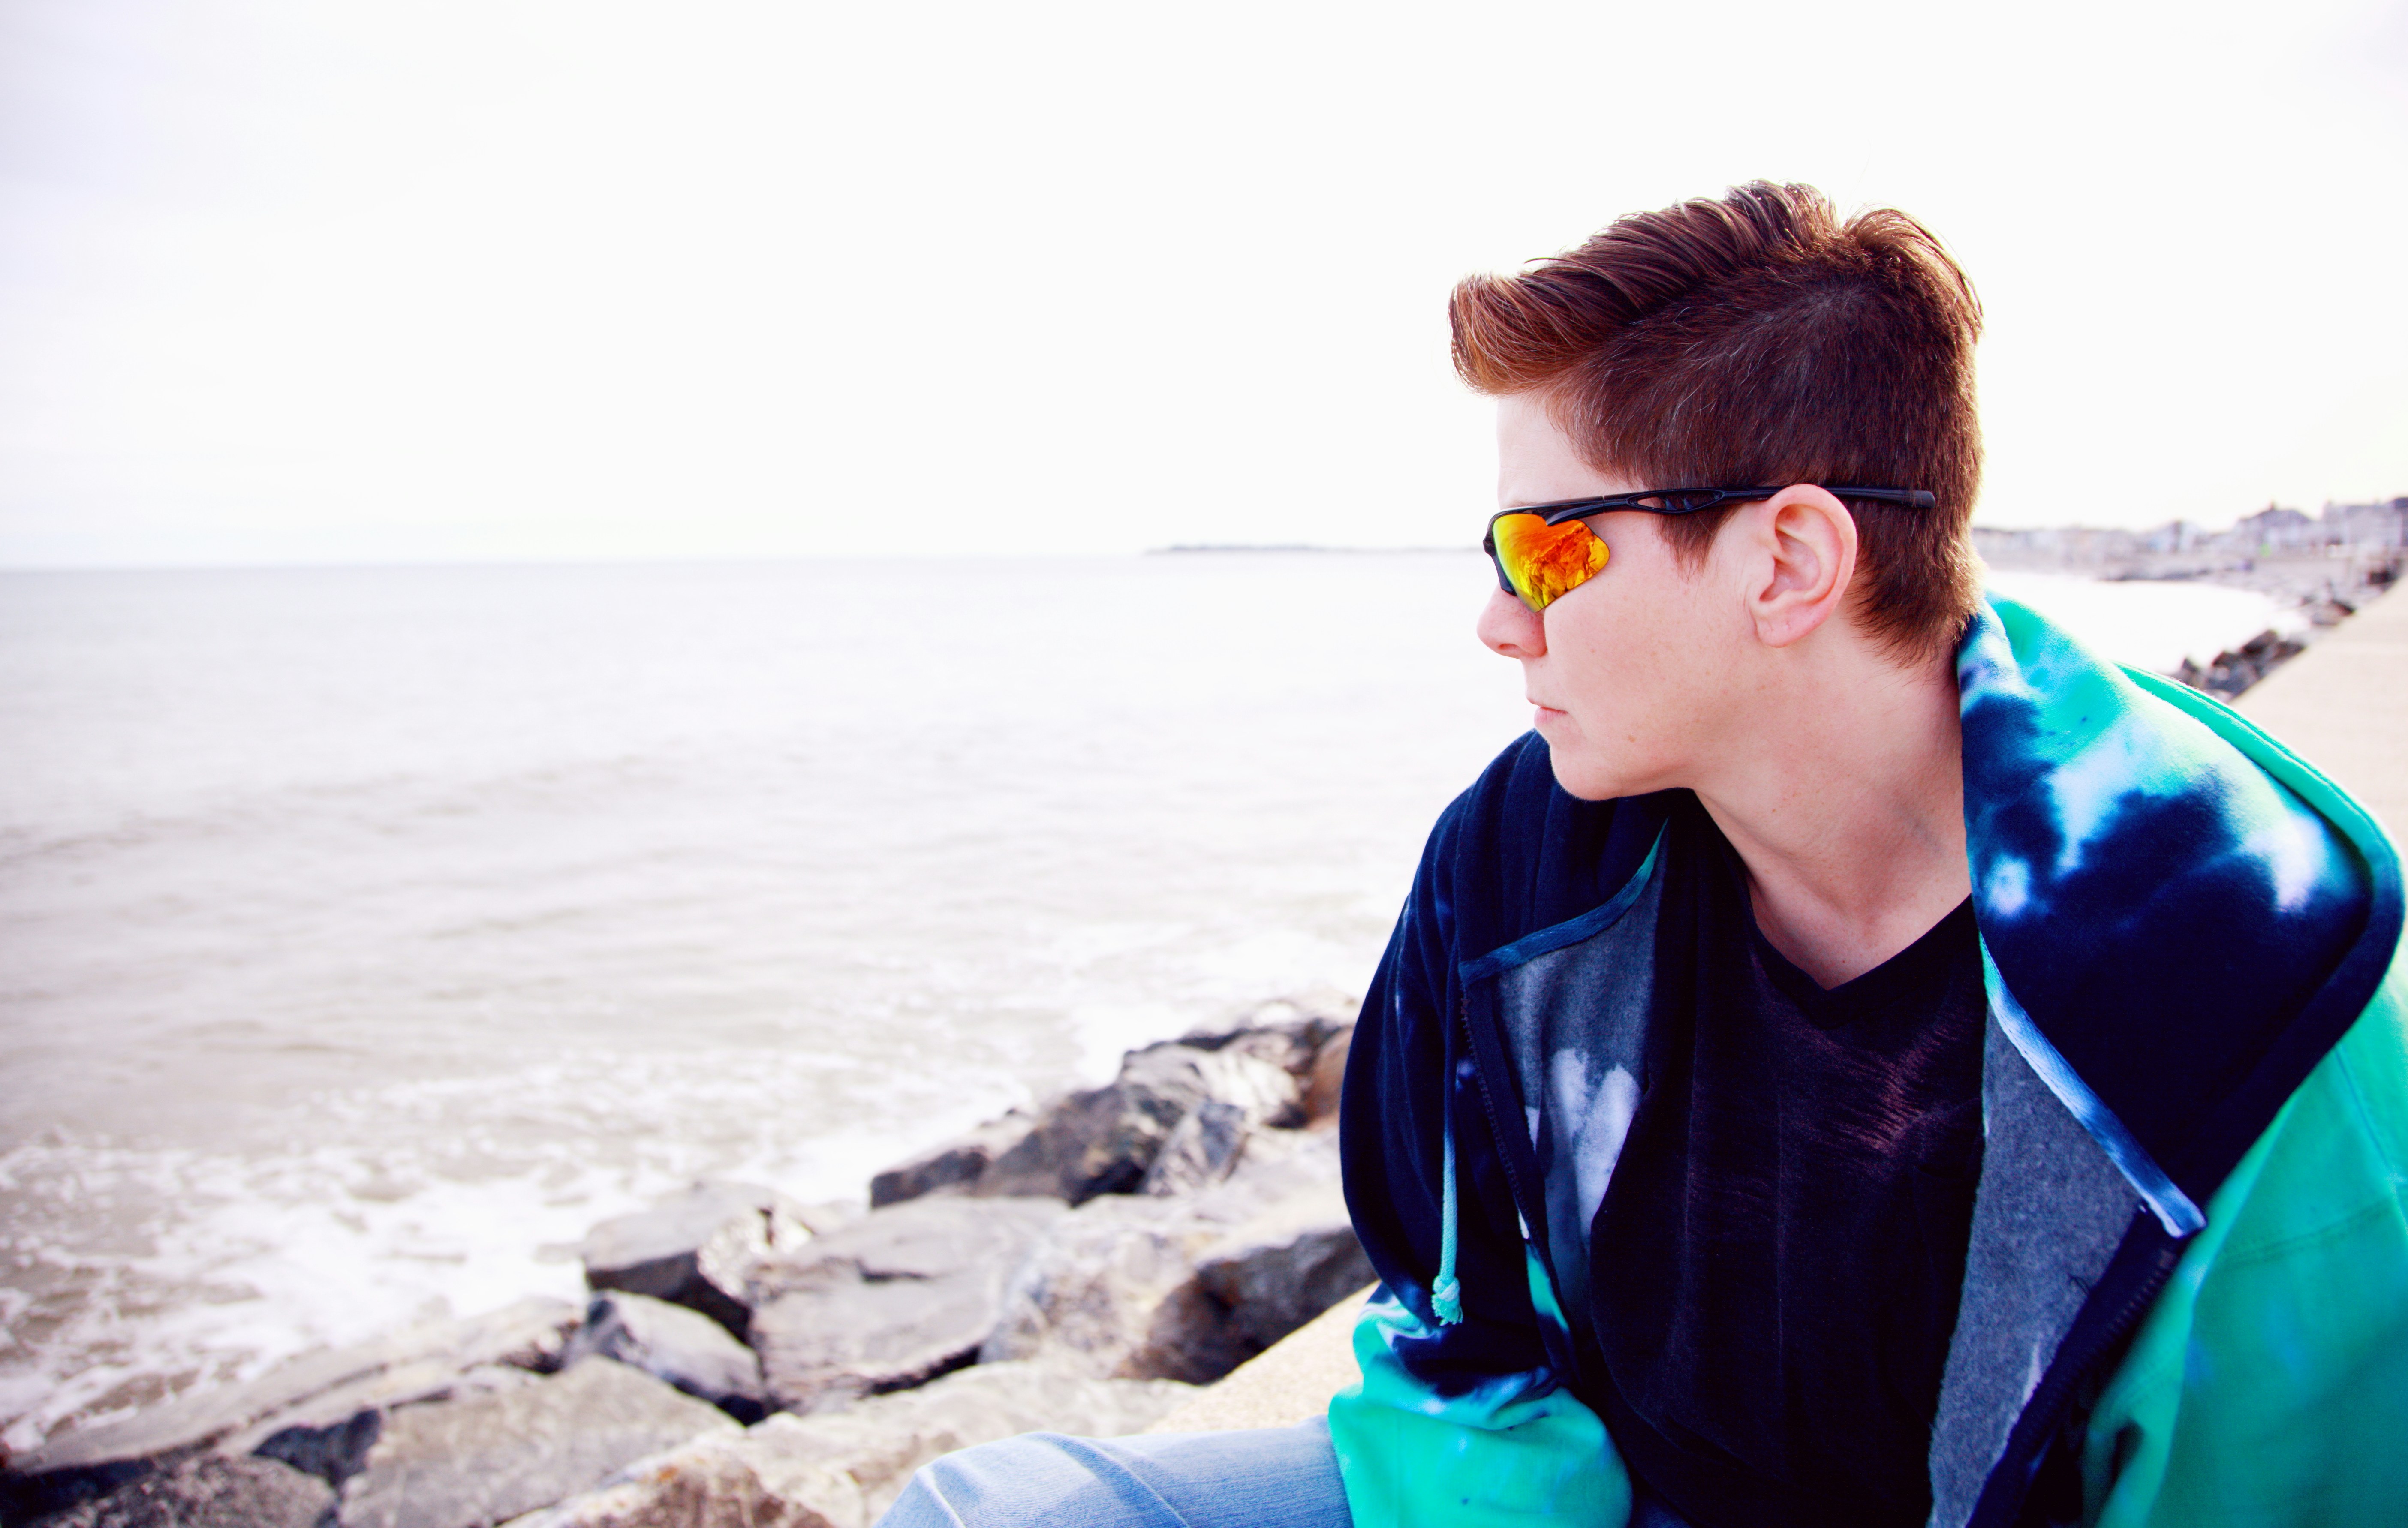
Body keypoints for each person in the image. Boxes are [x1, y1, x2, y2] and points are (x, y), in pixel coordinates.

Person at [878, 183, 2408, 1528]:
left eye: (1545, 549)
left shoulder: (2233, 988)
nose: (1498, 619)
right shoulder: (1519, 868)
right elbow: (1465, 1336)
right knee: (984, 1505)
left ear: (1790, 559)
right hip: (1607, 1490)